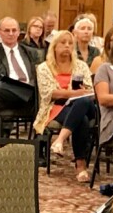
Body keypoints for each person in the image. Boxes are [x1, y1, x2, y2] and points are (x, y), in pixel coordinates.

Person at [35, 30, 94, 182]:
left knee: (83, 102)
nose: (67, 46)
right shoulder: (44, 67)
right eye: (63, 43)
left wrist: (73, 94)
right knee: (83, 120)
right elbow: (49, 93)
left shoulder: (81, 66)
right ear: (54, 46)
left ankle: (59, 140)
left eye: (70, 43)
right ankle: (81, 166)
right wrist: (74, 93)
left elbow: (90, 91)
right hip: (57, 107)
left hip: (84, 105)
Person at [0, 16, 41, 136]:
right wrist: (14, 87)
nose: (11, 34)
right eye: (7, 30)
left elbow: (40, 77)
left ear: (19, 32)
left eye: (14, 30)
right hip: (5, 96)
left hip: (30, 96)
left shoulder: (30, 53)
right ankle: (26, 94)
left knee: (42, 90)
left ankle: (40, 143)